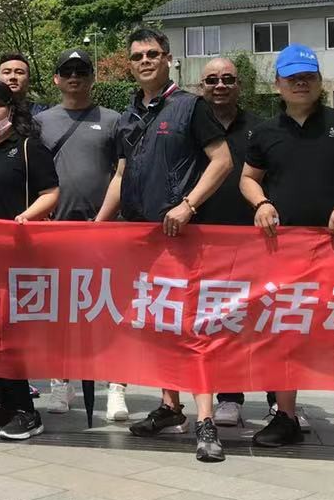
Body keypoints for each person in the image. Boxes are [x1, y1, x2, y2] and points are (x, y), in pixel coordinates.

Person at [240, 43, 334, 462]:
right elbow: (248, 179)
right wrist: (261, 203)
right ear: (278, 84)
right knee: (285, 332)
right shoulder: (265, 132)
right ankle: (285, 416)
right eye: (292, 78)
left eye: (308, 77)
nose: (301, 83)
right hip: (283, 249)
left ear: (321, 82)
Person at [95, 28, 233, 458]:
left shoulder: (191, 106)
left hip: (181, 237)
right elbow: (120, 176)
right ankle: (170, 406)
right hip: (140, 238)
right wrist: (98, 225)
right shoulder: (127, 116)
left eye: (152, 54)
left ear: (168, 58)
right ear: (129, 64)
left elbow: (222, 161)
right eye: (137, 56)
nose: (145, 61)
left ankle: (206, 421)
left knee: (192, 327)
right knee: (156, 324)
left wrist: (188, 205)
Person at [0, 80, 60, 441]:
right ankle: (3, 402)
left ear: (11, 109)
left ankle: (26, 411)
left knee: (11, 332)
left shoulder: (29, 146)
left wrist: (26, 217)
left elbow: (51, 192)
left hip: (19, 255)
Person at [33, 48, 122, 415]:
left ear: (92, 77)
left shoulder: (114, 120)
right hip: (56, 230)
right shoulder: (41, 122)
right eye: (67, 71)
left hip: (104, 229)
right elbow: (34, 175)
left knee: (109, 309)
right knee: (61, 313)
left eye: (81, 71)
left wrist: (104, 219)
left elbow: (122, 173)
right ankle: (61, 383)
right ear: (56, 78)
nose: (74, 77)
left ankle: (115, 384)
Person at [189, 56, 258, 429]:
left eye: (228, 79)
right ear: (201, 86)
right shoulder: (190, 125)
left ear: (239, 85)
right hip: (198, 236)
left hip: (248, 238)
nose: (220, 85)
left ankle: (234, 396)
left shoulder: (259, 128)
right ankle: (202, 395)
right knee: (202, 321)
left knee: (242, 320)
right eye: (212, 79)